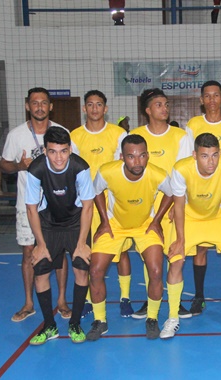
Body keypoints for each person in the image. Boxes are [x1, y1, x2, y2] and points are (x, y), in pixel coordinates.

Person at [161, 133, 221, 338]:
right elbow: (179, 205)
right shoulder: (181, 169)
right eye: (205, 156)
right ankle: (173, 317)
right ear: (194, 155)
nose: (211, 161)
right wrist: (180, 240)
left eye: (215, 155)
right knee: (176, 260)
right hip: (190, 216)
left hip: (218, 215)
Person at [86, 134, 173, 340]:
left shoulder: (157, 174)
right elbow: (97, 191)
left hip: (144, 225)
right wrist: (105, 222)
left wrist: (156, 220)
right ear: (122, 157)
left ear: (147, 156)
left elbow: (171, 194)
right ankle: (100, 321)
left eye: (142, 156)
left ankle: (152, 318)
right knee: (96, 270)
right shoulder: (108, 171)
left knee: (156, 269)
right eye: (131, 156)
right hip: (115, 225)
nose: (137, 161)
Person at [1, 87, 70, 322]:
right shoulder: (16, 134)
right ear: (27, 106)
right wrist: (19, 166)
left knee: (59, 253)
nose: (39, 106)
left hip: (57, 204)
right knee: (29, 251)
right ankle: (29, 303)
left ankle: (61, 301)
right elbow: (4, 165)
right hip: (27, 204)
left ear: (50, 106)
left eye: (44, 102)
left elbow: (73, 165)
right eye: (34, 103)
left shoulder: (61, 132)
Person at [128, 88, 193, 319]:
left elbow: (184, 172)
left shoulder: (181, 136)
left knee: (176, 254)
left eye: (166, 104)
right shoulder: (135, 136)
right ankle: (150, 300)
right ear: (147, 110)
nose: (165, 108)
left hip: (173, 206)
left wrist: (178, 204)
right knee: (151, 256)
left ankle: (176, 302)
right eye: (159, 105)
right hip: (145, 208)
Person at [26, 127, 94, 345]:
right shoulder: (35, 169)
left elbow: (88, 206)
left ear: (70, 149)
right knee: (41, 273)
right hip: (48, 224)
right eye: (53, 151)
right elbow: (31, 208)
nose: (58, 157)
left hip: (75, 224)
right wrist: (41, 244)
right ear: (45, 151)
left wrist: (82, 243)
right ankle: (49, 326)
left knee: (81, 271)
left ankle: (75, 323)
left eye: (63, 151)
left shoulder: (80, 167)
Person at [184, 80, 221, 316]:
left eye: (216, 96)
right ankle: (199, 296)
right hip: (201, 197)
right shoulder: (193, 124)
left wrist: (220, 184)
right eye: (207, 96)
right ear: (201, 100)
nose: (211, 100)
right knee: (199, 249)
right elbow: (190, 160)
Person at [70, 90, 128, 318]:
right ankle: (85, 299)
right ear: (85, 108)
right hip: (83, 202)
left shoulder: (118, 133)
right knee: (85, 251)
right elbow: (70, 168)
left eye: (99, 104)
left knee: (121, 251)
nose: (95, 108)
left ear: (105, 108)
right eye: (90, 105)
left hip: (112, 202)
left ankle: (125, 298)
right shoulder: (74, 136)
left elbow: (123, 167)